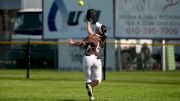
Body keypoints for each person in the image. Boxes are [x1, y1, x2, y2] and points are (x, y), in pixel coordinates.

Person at [67, 12, 107, 100]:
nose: (96, 27)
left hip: (88, 58)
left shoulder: (91, 37)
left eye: (97, 27)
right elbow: (90, 32)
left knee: (88, 80)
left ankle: (89, 85)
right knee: (97, 80)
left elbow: (81, 43)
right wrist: (88, 21)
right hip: (97, 60)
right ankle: (91, 96)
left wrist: (72, 43)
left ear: (98, 30)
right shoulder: (102, 39)